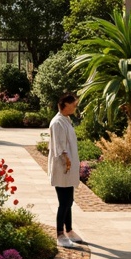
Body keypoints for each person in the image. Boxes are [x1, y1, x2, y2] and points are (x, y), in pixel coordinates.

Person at [48, 92, 83, 247]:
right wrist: (67, 162)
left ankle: (69, 230)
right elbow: (59, 147)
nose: (75, 106)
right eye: (73, 104)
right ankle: (60, 234)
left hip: (68, 168)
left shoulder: (66, 120)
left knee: (69, 201)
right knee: (64, 202)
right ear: (65, 104)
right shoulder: (57, 123)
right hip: (63, 168)